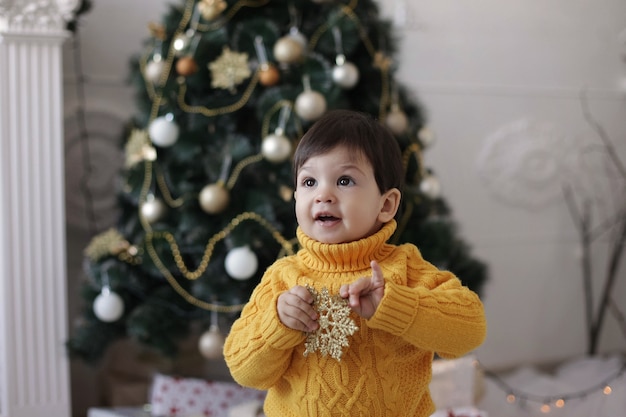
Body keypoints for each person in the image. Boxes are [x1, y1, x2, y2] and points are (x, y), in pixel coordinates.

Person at [223, 109, 486, 416]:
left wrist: (396, 305)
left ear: (385, 204)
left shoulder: (405, 269)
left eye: (345, 180)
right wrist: (277, 324)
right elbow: (245, 371)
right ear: (295, 196)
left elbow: (470, 330)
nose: (323, 194)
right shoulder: (283, 277)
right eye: (309, 182)